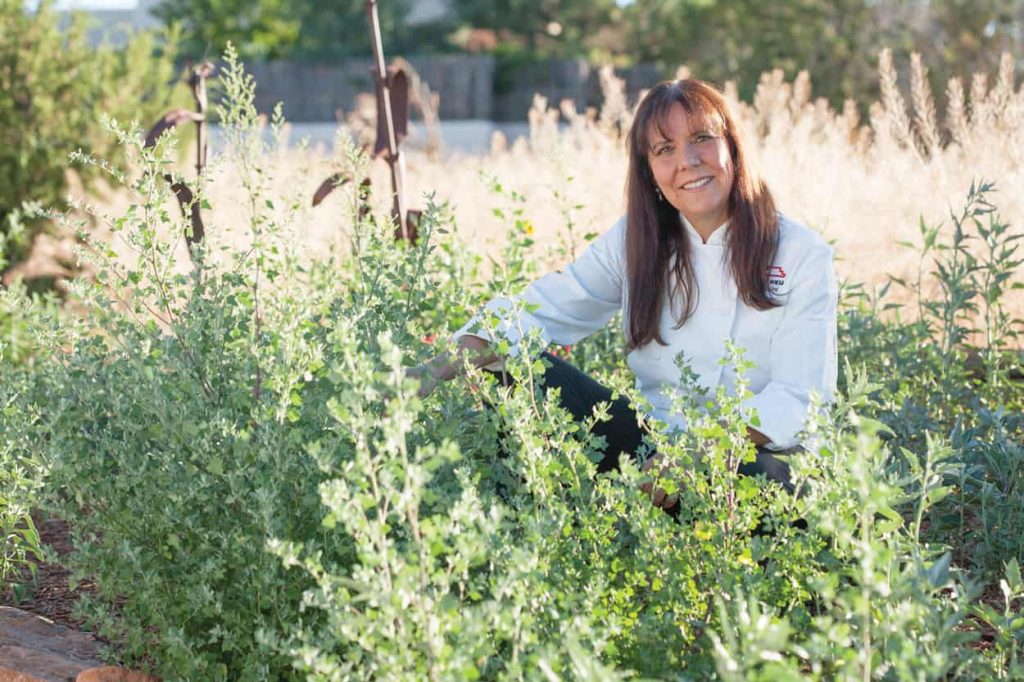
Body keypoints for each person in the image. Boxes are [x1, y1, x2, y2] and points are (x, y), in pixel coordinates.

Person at [408, 78, 837, 510]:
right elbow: (540, 311)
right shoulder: (637, 239)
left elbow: (800, 397)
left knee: (760, 477)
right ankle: (531, 528)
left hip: (754, 457)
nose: (687, 161)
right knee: (517, 365)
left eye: (702, 139)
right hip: (653, 453)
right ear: (648, 169)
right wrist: (418, 378)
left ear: (733, 148)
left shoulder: (800, 252)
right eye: (664, 149)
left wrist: (696, 454)